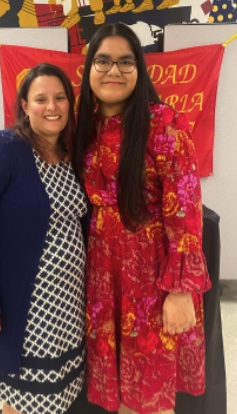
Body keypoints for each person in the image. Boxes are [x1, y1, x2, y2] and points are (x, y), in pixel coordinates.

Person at [73, 23, 211, 414]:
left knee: (150, 393)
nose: (113, 70)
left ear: (140, 69)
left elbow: (186, 211)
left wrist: (181, 290)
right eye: (103, 60)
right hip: (102, 272)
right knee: (117, 388)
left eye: (124, 62)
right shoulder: (86, 124)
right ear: (89, 69)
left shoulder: (163, 123)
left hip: (151, 275)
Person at [0, 63, 88, 414]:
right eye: (40, 98)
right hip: (24, 310)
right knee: (23, 401)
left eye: (60, 98)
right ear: (25, 106)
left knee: (54, 396)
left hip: (66, 305)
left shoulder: (67, 154)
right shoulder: (3, 148)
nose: (52, 106)